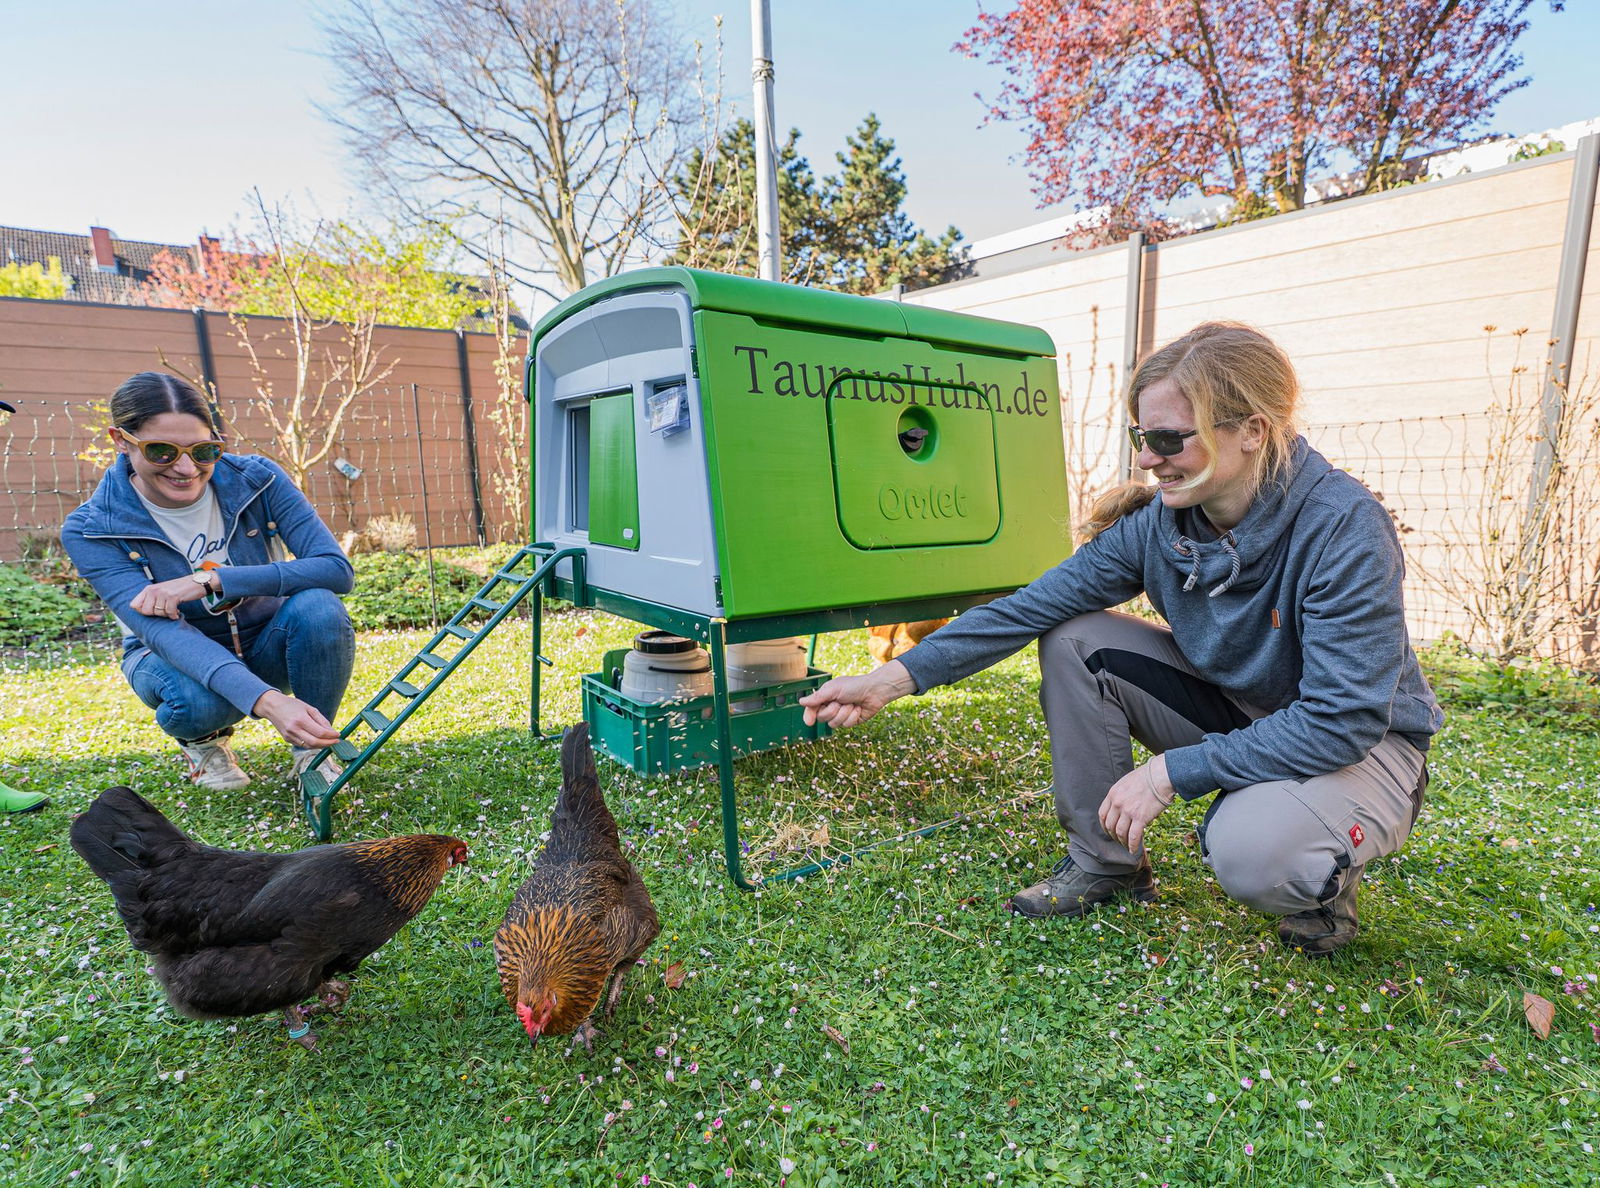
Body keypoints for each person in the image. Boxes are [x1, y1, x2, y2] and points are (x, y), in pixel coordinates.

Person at [800, 322, 1442, 957]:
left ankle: (1321, 883)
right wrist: (892, 679)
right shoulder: (1161, 523)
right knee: (1075, 637)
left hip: (1362, 745)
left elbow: (1341, 719)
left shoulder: (1343, 527)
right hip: (1241, 706)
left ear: (1252, 431)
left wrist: (1172, 772)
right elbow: (1030, 608)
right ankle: (1107, 864)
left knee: (1256, 853)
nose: (1145, 459)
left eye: (1168, 438)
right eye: (1142, 436)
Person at [61, 372, 355, 791]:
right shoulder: (92, 528)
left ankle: (313, 747)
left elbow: (335, 570)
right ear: (121, 441)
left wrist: (210, 581)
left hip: (264, 640)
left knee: (319, 606)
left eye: (203, 451)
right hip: (172, 660)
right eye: (161, 451)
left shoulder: (258, 479)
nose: (185, 468)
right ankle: (204, 741)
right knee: (197, 700)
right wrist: (269, 702)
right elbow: (164, 634)